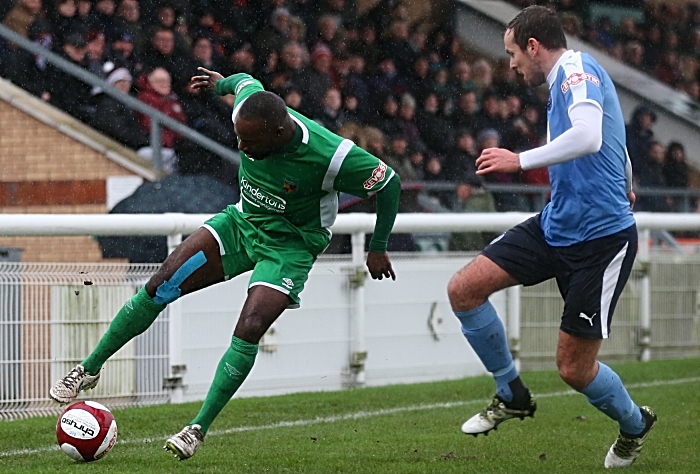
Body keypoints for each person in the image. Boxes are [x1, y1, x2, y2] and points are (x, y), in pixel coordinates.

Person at [49, 66, 401, 461]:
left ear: (278, 133)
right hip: (240, 224)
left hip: (288, 248)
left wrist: (378, 244)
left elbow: (389, 183)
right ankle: (89, 369)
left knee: (250, 326)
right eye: (240, 139)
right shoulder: (251, 107)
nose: (243, 149)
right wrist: (219, 84)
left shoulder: (331, 155)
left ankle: (196, 429)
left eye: (250, 142)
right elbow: (242, 79)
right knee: (160, 285)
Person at [447, 6, 656, 469]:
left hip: (601, 241)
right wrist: (626, 177)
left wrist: (517, 160)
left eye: (512, 53)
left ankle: (634, 424)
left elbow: (587, 137)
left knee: (573, 369)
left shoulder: (575, 71)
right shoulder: (569, 81)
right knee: (464, 289)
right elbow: (608, 135)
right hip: (556, 224)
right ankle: (512, 393)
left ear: (534, 46)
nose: (511, 64)